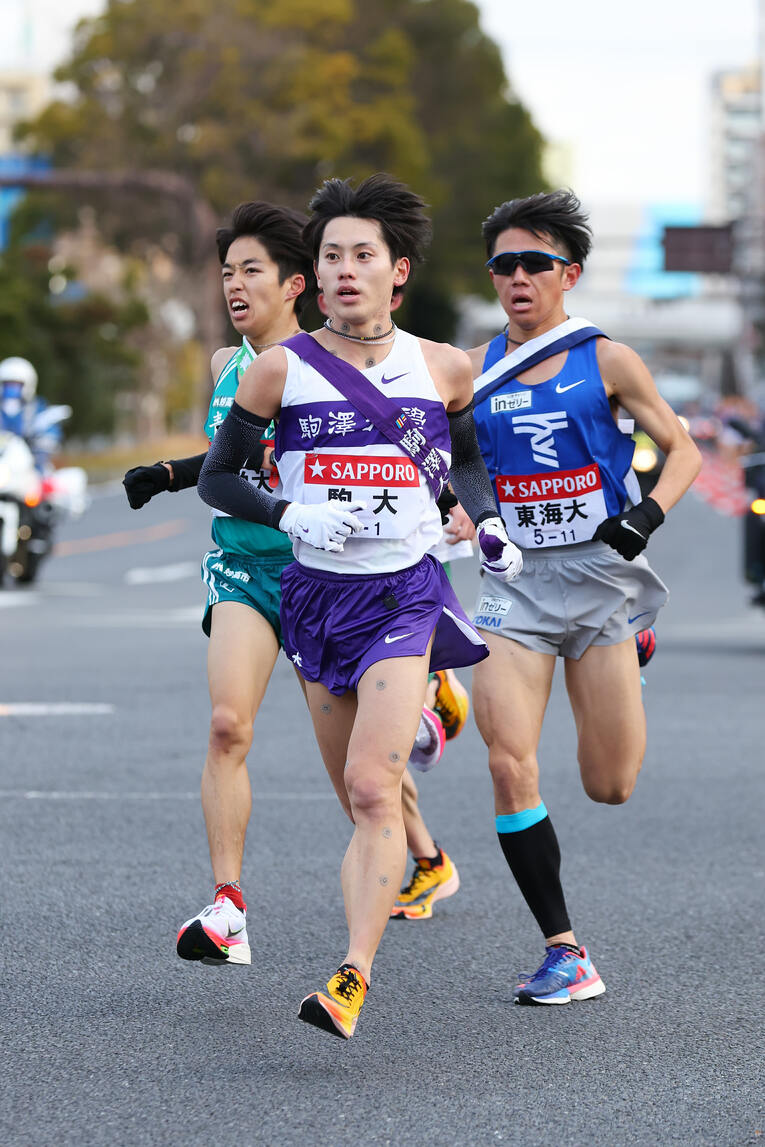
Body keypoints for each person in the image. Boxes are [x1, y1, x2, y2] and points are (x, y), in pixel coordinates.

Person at [198, 173, 522, 1039]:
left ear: (397, 272)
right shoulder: (277, 370)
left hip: (402, 594)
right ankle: (400, 854)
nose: (344, 270)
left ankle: (352, 973)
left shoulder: (445, 367)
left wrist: (483, 523)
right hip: (311, 596)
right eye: (332, 254)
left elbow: (475, 461)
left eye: (362, 256)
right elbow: (217, 476)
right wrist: (288, 510)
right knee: (354, 793)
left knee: (375, 787)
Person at [122, 200, 461, 968]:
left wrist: (457, 507)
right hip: (246, 566)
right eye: (226, 274)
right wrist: (170, 473)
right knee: (225, 725)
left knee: (360, 781)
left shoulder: (331, 366)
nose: (233, 287)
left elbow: (418, 456)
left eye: (250, 272)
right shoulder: (229, 366)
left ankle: (426, 847)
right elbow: (231, 463)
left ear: (293, 285)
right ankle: (228, 904)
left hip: (333, 579)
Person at [459, 189, 701, 1005]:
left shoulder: (608, 358)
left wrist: (646, 514)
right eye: (504, 265)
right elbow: (454, 462)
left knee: (609, 783)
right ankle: (564, 949)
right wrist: (482, 516)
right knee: (506, 760)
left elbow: (683, 451)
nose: (517, 277)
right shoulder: (474, 368)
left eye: (535, 263)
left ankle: (635, 644)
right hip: (516, 587)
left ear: (570, 274)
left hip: (601, 582)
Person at [0, 357, 62, 471]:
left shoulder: (37, 408)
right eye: (7, 384)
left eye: (16, 385)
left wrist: (42, 444)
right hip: (3, 463)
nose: (11, 389)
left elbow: (50, 432)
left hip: (29, 465)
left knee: (43, 480)